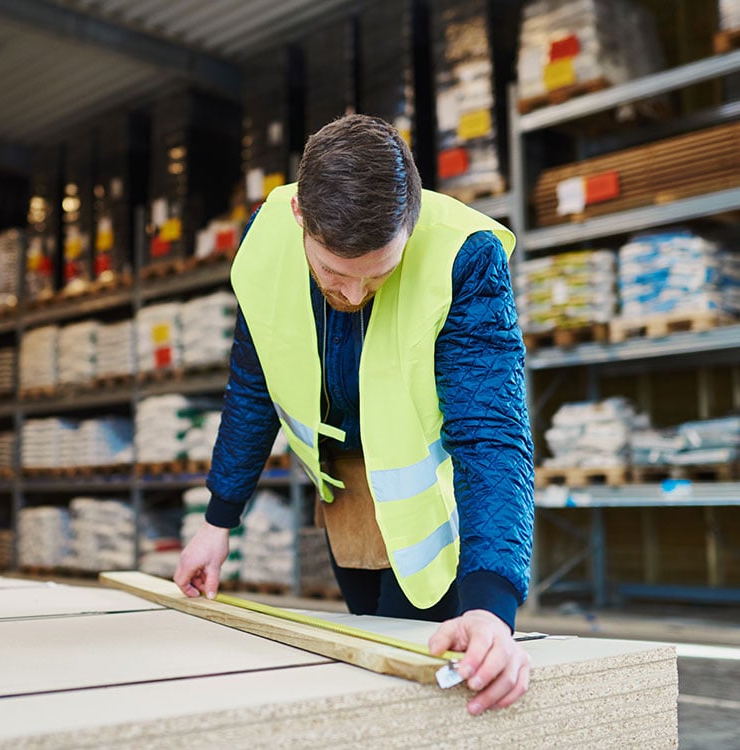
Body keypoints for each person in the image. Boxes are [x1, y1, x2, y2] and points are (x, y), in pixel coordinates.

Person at [175, 114, 535, 715]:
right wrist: (218, 521)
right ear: (300, 220)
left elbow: (491, 433)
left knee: (411, 701)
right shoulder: (265, 241)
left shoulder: (464, 257)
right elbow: (253, 384)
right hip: (346, 509)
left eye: (379, 274)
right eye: (333, 274)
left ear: (411, 222)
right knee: (365, 674)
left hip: (433, 524)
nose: (353, 296)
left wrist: (490, 605)